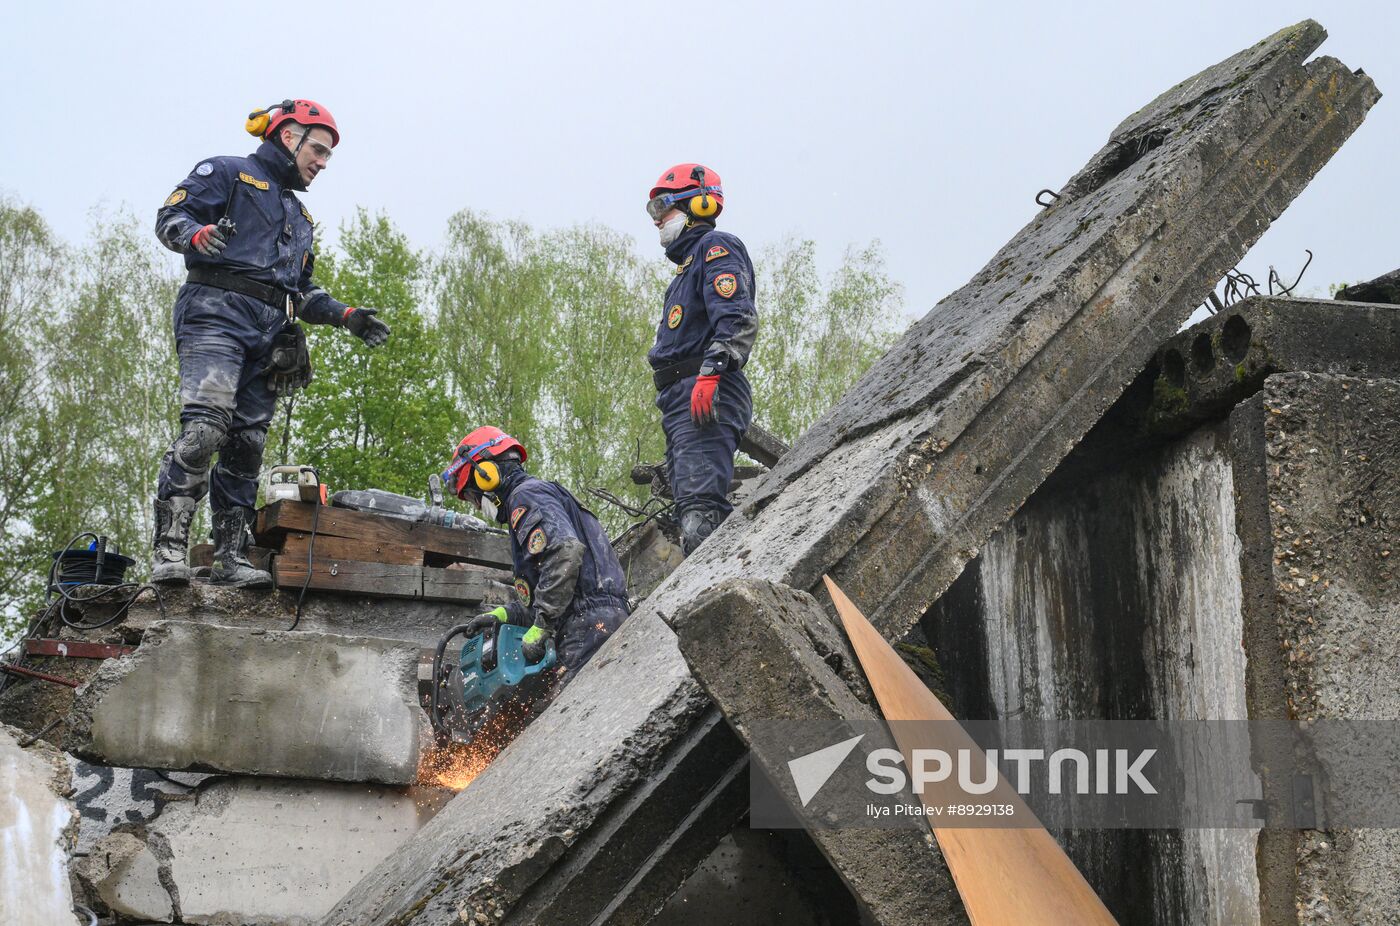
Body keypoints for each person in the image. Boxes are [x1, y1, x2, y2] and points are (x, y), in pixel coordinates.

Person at [150, 99, 390, 587]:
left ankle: (230, 558)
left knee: (247, 447)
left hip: (269, 332)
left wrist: (347, 316)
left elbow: (301, 290)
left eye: (326, 156)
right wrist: (196, 236)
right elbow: (170, 218)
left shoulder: (299, 215)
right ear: (288, 137)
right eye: (318, 150)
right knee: (205, 431)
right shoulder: (228, 173)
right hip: (215, 312)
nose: (322, 163)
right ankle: (170, 549)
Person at [445, 427, 629, 675]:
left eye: (472, 497)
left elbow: (565, 553)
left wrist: (543, 625)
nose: (478, 506)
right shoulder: (532, 498)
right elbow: (550, 593)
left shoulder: (526, 496)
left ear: (485, 475)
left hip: (588, 626)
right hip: (590, 620)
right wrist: (503, 614)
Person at [645, 163, 757, 555]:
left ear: (702, 205)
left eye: (664, 207)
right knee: (689, 512)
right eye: (652, 211)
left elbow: (737, 318)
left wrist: (711, 373)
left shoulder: (716, 248)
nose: (657, 220)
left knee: (701, 517)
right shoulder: (683, 272)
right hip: (679, 400)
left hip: (706, 391)